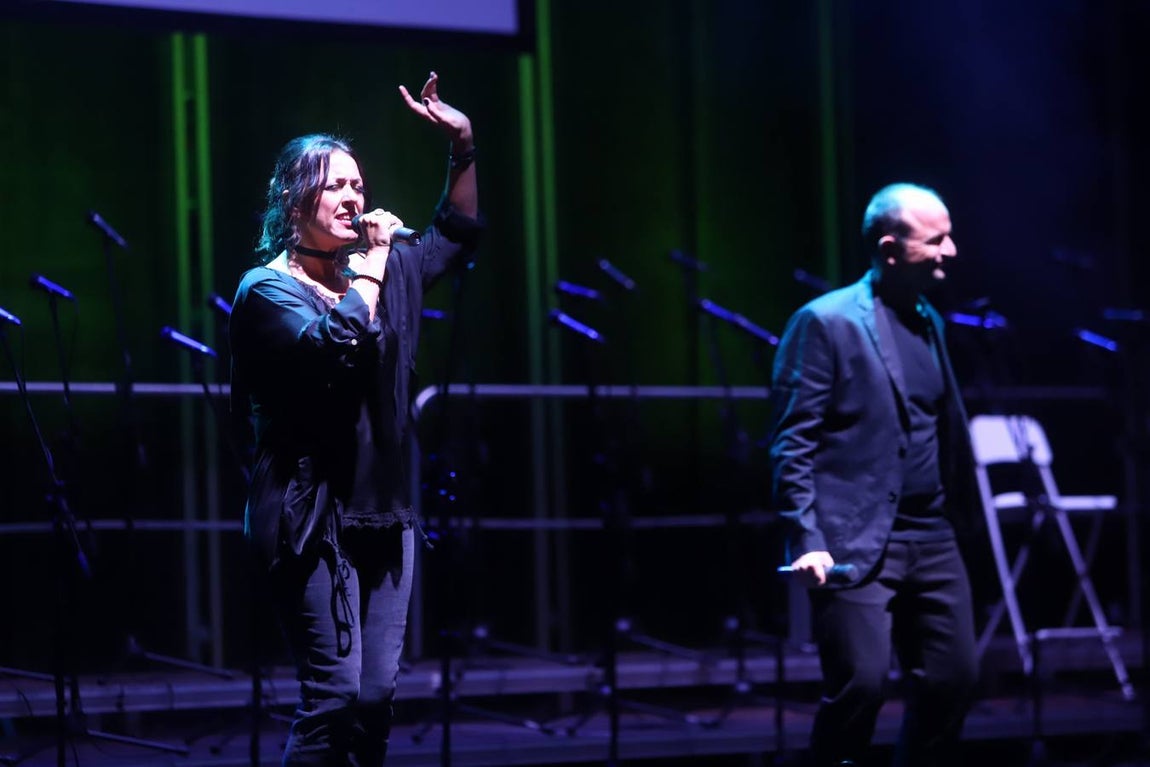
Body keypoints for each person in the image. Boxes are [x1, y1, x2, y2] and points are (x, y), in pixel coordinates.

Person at [229, 71, 482, 766]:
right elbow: (333, 344)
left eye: (358, 186)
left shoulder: (383, 268)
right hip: (309, 514)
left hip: (384, 509)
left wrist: (462, 143)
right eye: (335, 185)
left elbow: (455, 233)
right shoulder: (267, 290)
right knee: (333, 696)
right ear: (293, 199)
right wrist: (372, 262)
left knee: (373, 700)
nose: (353, 197)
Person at [767, 183, 980, 767]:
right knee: (860, 685)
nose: (950, 250)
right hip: (855, 539)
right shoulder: (825, 322)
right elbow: (792, 440)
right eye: (936, 240)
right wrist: (806, 538)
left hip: (932, 536)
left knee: (954, 680)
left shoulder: (930, 321)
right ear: (890, 249)